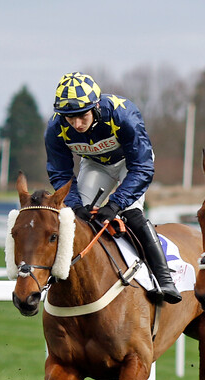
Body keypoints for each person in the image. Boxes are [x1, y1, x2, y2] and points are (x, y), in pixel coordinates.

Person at [45, 72, 181, 304]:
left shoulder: (123, 114)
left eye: (82, 115)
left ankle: (164, 278)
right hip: (96, 165)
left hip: (131, 164)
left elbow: (142, 167)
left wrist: (116, 204)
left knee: (130, 214)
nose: (76, 124)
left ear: (96, 106)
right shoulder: (56, 128)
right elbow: (61, 174)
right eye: (69, 118)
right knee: (74, 219)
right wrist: (77, 206)